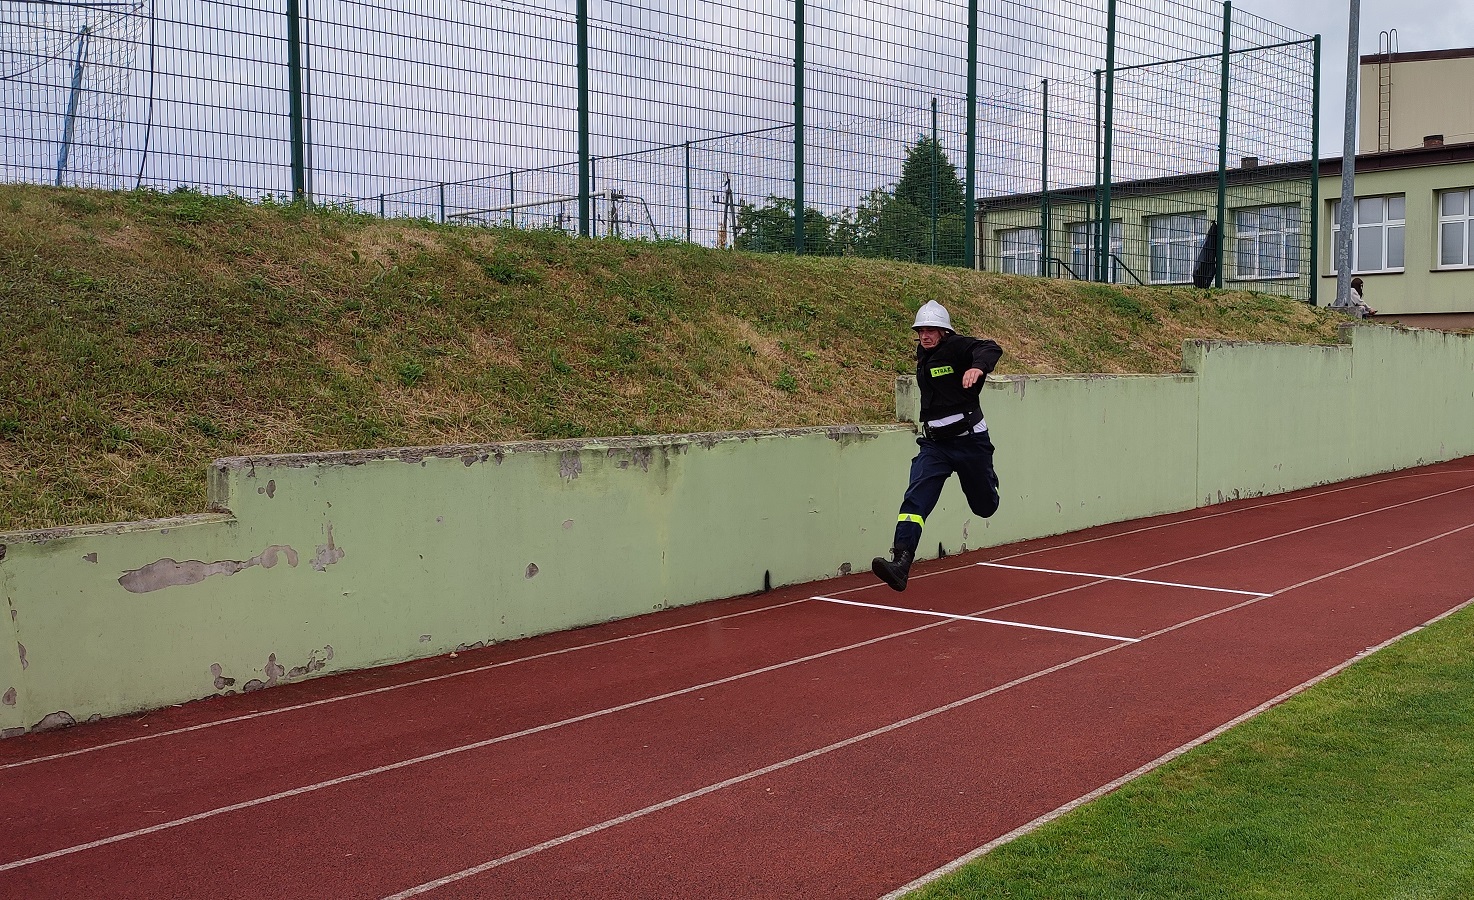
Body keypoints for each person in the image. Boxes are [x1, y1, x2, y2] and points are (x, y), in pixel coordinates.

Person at [872, 301, 1003, 592]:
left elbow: (990, 347)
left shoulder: (956, 347)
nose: (925, 335)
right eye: (920, 331)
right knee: (915, 499)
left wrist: (977, 368)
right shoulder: (923, 354)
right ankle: (901, 561)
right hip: (935, 446)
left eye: (931, 330)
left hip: (970, 442)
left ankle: (988, 481)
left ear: (944, 332)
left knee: (985, 508)